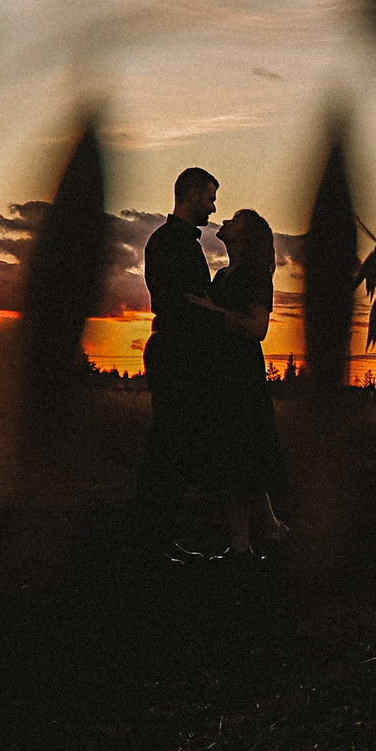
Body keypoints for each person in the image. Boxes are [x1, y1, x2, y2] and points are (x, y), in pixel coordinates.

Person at [130, 166, 222, 558]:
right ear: (191, 194)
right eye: (210, 198)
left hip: (177, 352)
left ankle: (155, 538)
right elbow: (182, 303)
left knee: (172, 445)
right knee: (170, 446)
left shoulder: (172, 240)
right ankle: (152, 540)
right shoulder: (171, 242)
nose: (213, 207)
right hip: (177, 354)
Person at [193, 207, 292, 557]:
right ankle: (271, 527)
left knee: (240, 457)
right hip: (221, 375)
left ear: (246, 236)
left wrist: (214, 312)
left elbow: (258, 328)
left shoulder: (255, 276)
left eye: (236, 220)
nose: (226, 221)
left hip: (243, 377)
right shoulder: (222, 275)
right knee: (245, 455)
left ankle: (239, 547)